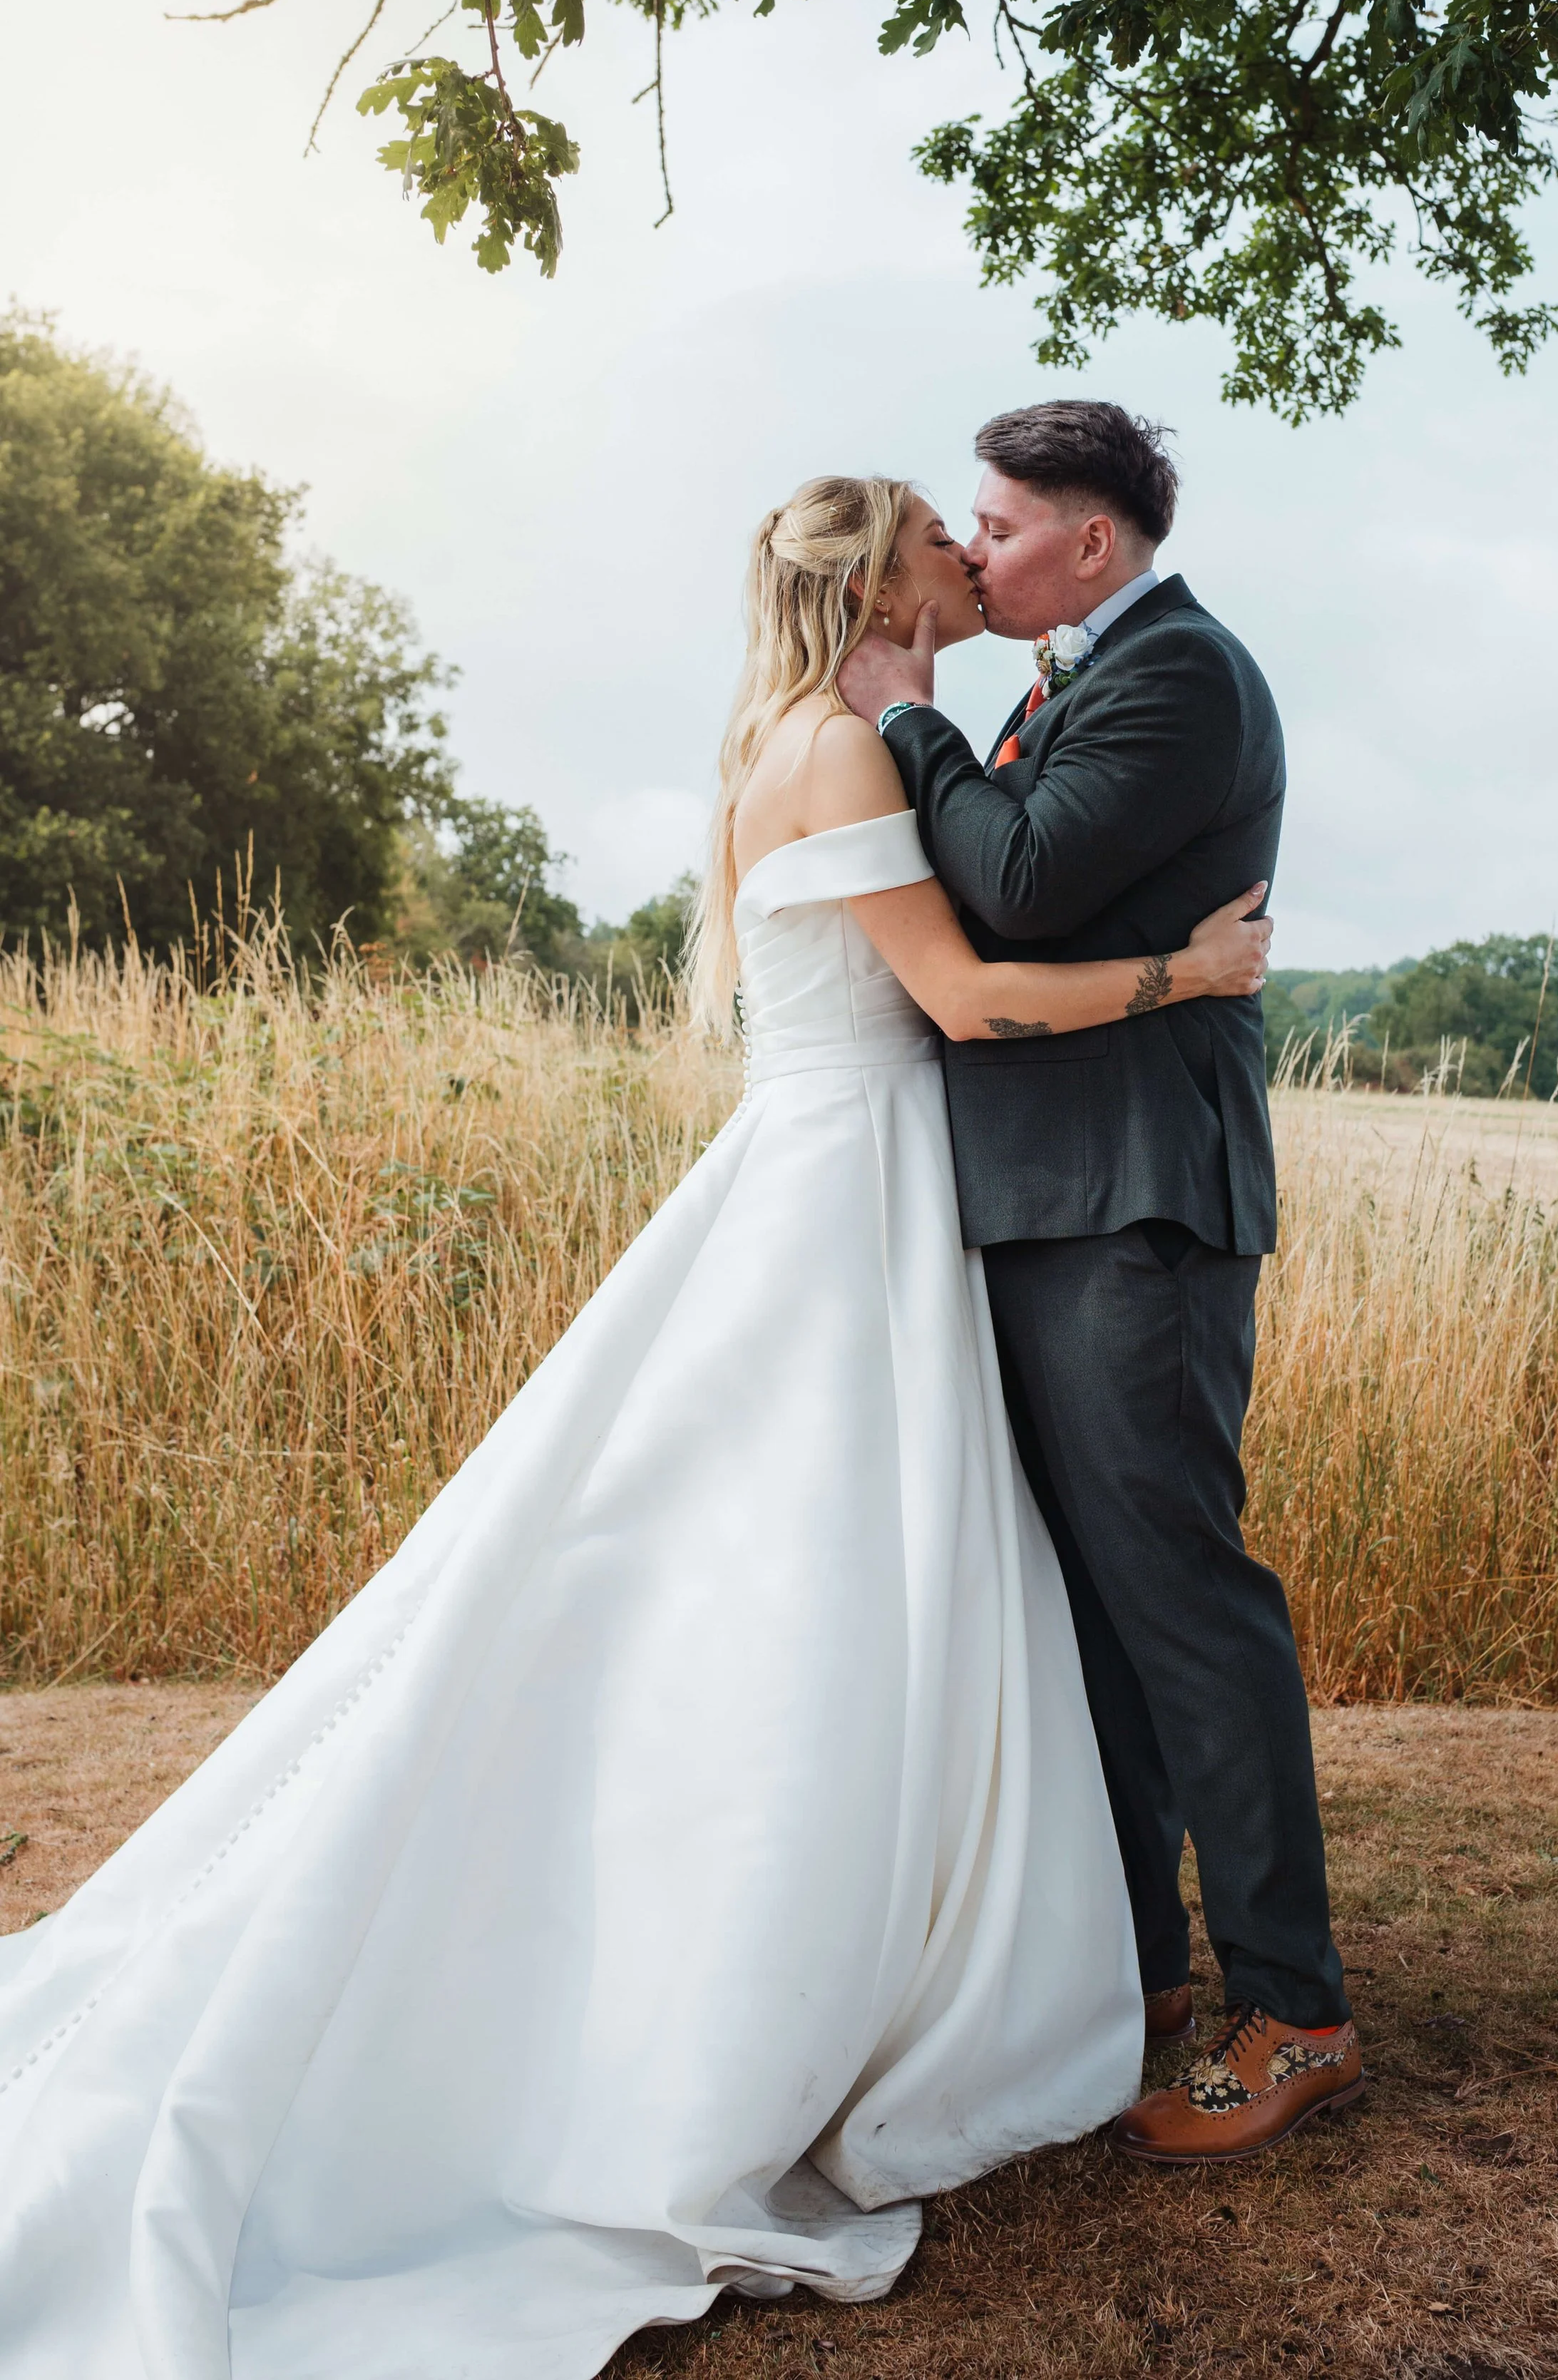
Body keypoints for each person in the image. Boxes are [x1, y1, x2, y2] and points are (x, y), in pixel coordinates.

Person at [0, 475, 1276, 2379]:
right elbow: (965, 995)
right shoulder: (842, 746)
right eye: (941, 531)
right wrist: (1194, 971)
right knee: (808, 1577)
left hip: (838, 1178)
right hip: (846, 1198)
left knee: (787, 1568)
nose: (965, 554)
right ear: (875, 578)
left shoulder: (795, 735)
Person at [837, 401, 1363, 2165]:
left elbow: (1018, 885)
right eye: (967, 528)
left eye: (995, 524)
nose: (974, 553)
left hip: (1136, 1204)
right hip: (1052, 1197)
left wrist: (907, 721)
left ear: (1087, 541)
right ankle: (1138, 1971)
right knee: (1091, 1616)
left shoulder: (1180, 677)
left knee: (1180, 1599)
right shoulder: (1075, 678)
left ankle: (1291, 2010)